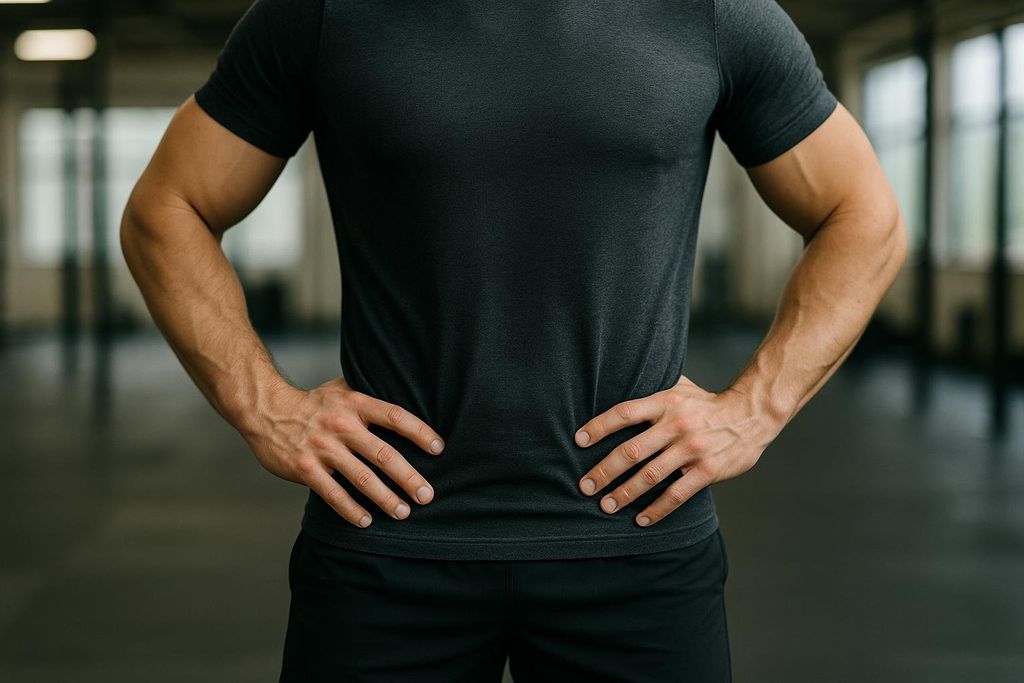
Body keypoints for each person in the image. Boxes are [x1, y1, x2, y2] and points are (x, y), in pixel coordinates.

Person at [120, 0, 907, 680]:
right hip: (385, 547)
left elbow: (863, 215)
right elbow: (167, 208)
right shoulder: (327, 12)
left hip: (636, 549)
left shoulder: (710, 12)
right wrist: (265, 407)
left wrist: (753, 411)